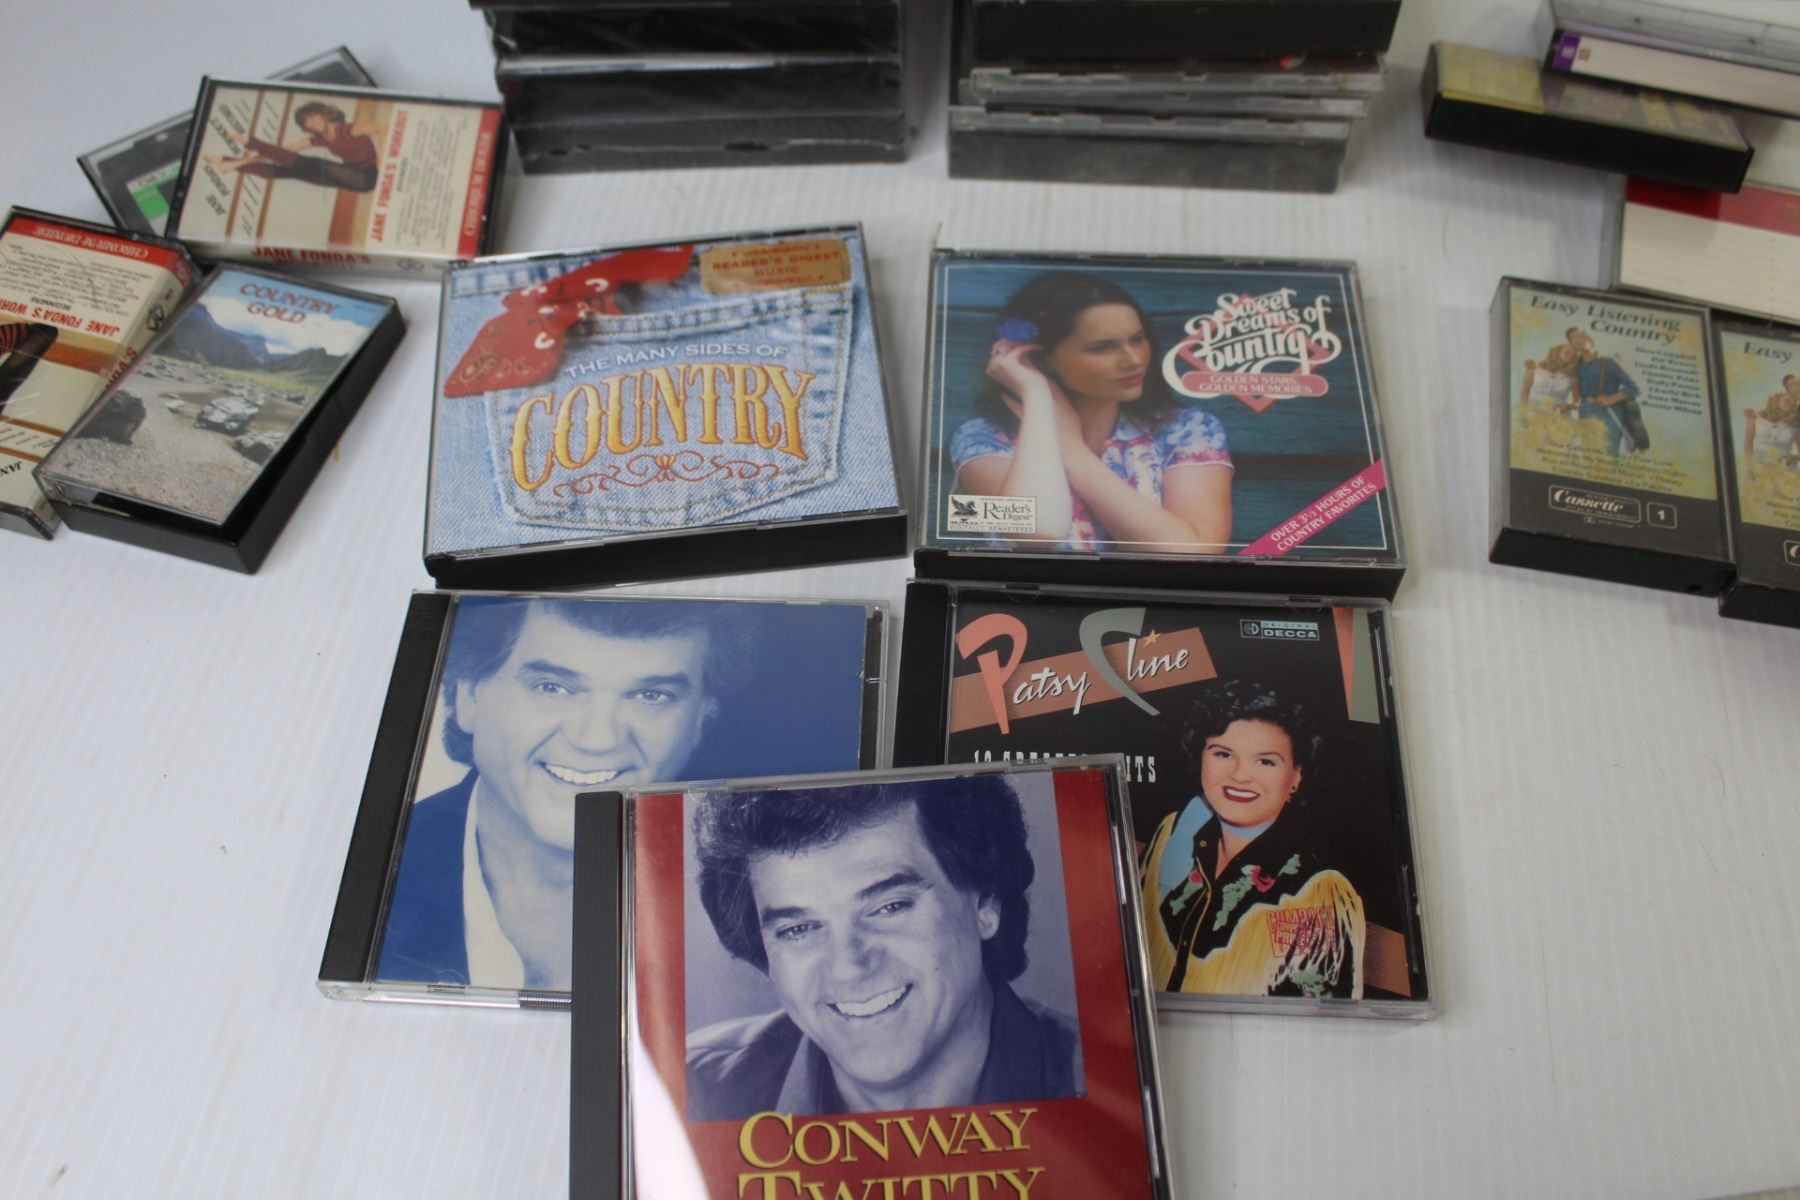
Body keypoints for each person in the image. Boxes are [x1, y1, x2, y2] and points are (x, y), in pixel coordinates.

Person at [377, 596, 751, 991]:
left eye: (650, 696)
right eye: (552, 688)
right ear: (468, 696)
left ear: (702, 719)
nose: (596, 740)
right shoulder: (371, 873)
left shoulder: (746, 887)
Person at [685, 776, 1082, 1120]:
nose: (847, 967)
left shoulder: (1101, 1085)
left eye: (889, 907)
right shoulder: (691, 1093)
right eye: (798, 929)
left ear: (985, 904)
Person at [950, 272, 1233, 552]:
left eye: (1137, 339)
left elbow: (1195, 554)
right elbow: (1037, 533)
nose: (1134, 360)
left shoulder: (1188, 429)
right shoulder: (983, 439)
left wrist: (1073, 450)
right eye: (1101, 348)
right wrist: (1036, 395)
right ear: (1039, 357)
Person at [1139, 680, 1365, 1000]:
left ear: (1296, 775)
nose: (1240, 775)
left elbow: (1319, 1016)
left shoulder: (1317, 892)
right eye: (1223, 753)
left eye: (1266, 761)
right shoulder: (1172, 835)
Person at [205, 101, 379, 193]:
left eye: (314, 116)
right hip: (350, 178)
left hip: (366, 176)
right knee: (293, 171)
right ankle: (227, 162)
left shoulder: (347, 129)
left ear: (325, 113)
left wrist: (384, 161)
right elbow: (281, 153)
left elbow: (384, 130)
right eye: (307, 122)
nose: (312, 123)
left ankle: (252, 142)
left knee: (313, 164)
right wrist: (237, 162)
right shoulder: (319, 139)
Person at [1566, 326, 1651, 456]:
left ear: (1591, 339)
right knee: (1589, 456)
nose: (1578, 339)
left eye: (1581, 335)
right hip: (1585, 415)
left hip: (1608, 415)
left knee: (1608, 458)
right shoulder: (1576, 365)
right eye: (1573, 337)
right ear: (1571, 343)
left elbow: (1634, 388)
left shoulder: (1608, 362)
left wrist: (1611, 399)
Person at [1744, 375, 1800, 475]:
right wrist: (1749, 469)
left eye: (1792, 402)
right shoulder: (1755, 418)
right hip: (1759, 469)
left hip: (1786, 472)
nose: (1787, 403)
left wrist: (1792, 458)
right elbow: (1748, 443)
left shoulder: (1795, 424)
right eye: (1785, 399)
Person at [1517, 342, 1580, 420]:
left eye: (1574, 355)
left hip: (1560, 417)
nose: (1570, 355)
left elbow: (1577, 402)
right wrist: (1523, 413)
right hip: (1534, 414)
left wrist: (1566, 407)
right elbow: (1525, 391)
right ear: (1559, 350)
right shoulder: (1534, 367)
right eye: (1568, 351)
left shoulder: (1572, 377)